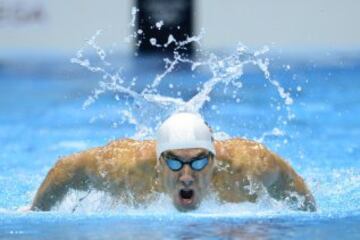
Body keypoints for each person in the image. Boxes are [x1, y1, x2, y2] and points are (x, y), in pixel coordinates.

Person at [31, 112, 316, 212]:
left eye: (199, 163)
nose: (188, 175)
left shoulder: (248, 167)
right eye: (176, 164)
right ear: (158, 164)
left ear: (215, 160)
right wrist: (35, 215)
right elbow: (65, 169)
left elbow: (292, 187)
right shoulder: (126, 169)